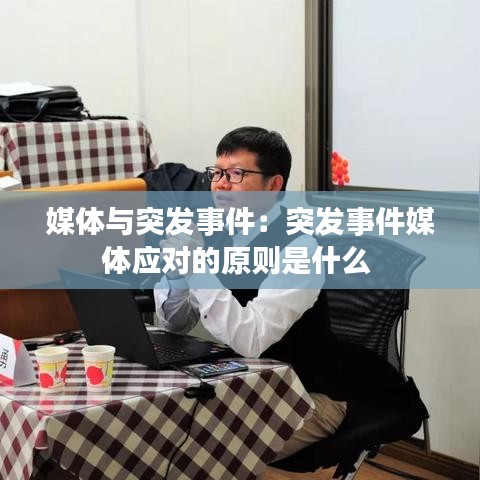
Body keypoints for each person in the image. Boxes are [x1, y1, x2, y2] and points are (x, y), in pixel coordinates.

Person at [154, 126, 347, 460]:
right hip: (237, 384)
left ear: (273, 185)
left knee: (191, 449)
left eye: (236, 174)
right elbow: (175, 324)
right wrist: (177, 274)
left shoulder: (301, 248)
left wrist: (197, 268)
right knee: (155, 427)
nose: (220, 185)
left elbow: (252, 340)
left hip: (305, 394)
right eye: (217, 173)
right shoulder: (211, 231)